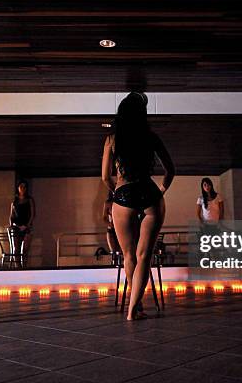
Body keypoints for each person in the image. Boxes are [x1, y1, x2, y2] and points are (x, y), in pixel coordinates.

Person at [101, 92, 175, 320]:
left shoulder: (112, 139)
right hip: (149, 194)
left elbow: (105, 177)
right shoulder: (151, 137)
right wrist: (161, 190)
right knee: (145, 256)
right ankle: (133, 310)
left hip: (123, 195)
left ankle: (137, 304)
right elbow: (170, 170)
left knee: (129, 256)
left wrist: (119, 191)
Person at [8, 180, 35, 267]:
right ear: (18, 188)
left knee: (25, 249)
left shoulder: (29, 200)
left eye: (24, 187)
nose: (23, 189)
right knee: (16, 249)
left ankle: (24, 267)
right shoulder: (14, 202)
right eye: (21, 186)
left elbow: (32, 214)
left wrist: (27, 225)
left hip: (26, 227)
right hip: (17, 227)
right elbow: (11, 215)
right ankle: (17, 267)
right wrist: (12, 225)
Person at [102, 191, 121, 256]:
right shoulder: (108, 203)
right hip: (111, 230)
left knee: (121, 252)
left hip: (120, 230)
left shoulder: (122, 203)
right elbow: (104, 217)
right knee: (113, 252)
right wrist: (110, 224)